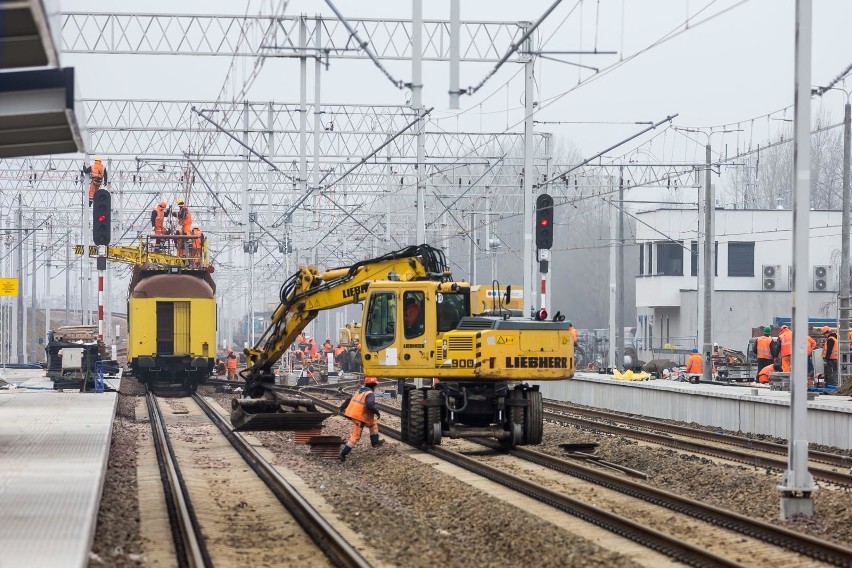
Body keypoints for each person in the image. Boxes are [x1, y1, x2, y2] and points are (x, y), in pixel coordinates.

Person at [339, 376, 385, 462]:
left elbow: (349, 399)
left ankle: (375, 442)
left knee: (373, 423)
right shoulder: (370, 393)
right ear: (374, 385)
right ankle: (343, 454)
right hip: (359, 416)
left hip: (353, 413)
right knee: (355, 436)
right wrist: (377, 412)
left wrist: (341, 409)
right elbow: (369, 404)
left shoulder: (360, 391)